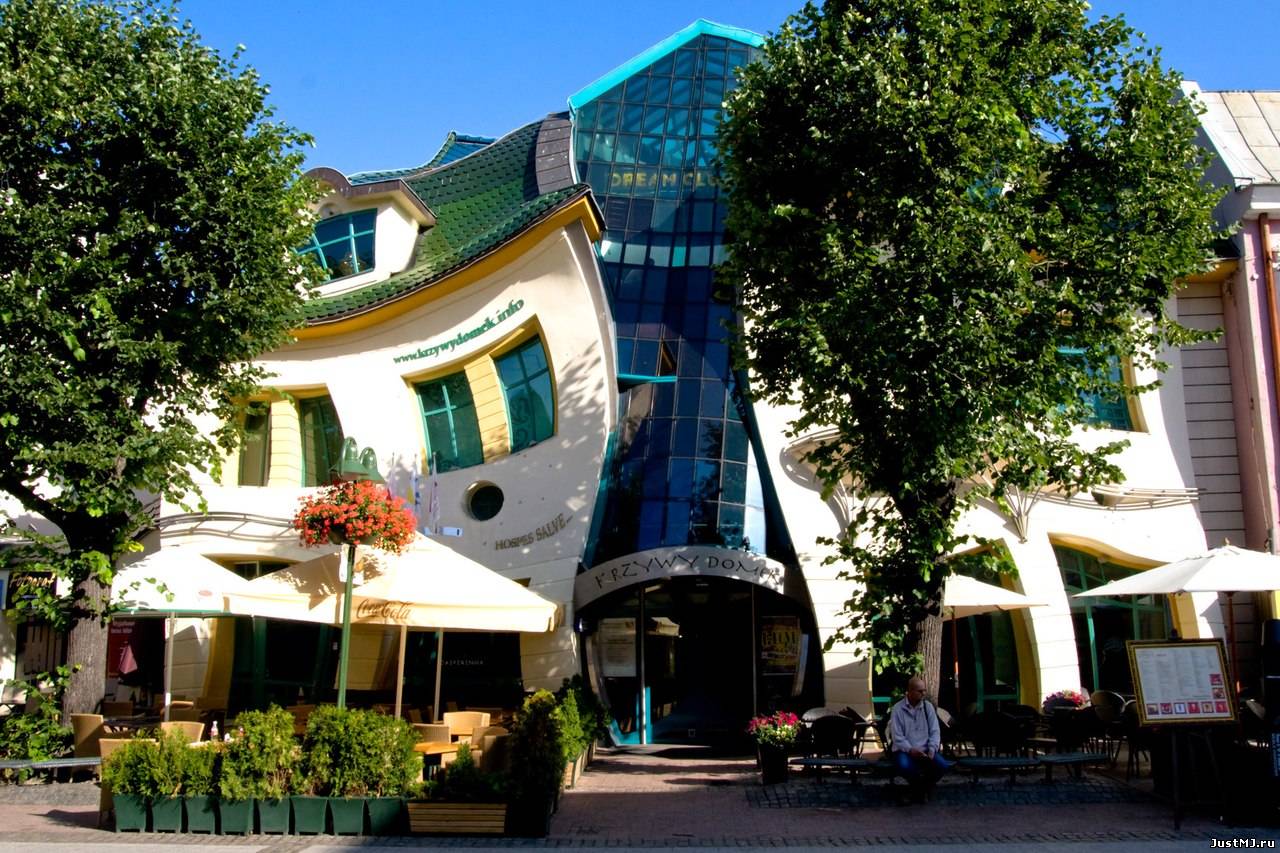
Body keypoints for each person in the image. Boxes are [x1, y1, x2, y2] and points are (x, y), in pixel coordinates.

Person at [888, 675, 952, 802]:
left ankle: (918, 790)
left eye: (924, 690)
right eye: (920, 691)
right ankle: (921, 790)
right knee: (904, 765)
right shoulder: (898, 709)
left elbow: (935, 731)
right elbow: (897, 736)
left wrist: (932, 748)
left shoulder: (928, 707)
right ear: (910, 691)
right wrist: (910, 750)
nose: (923, 694)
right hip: (905, 750)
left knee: (943, 766)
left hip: (926, 749)